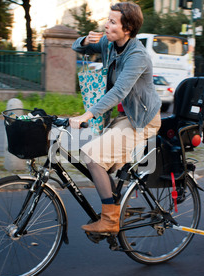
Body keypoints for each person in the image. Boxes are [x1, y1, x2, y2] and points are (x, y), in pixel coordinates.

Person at [69, 2, 161, 234]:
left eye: (112, 22)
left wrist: (87, 115)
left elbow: (119, 91)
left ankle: (110, 220)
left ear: (127, 28)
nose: (105, 25)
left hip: (142, 120)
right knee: (103, 163)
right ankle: (116, 208)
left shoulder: (137, 55)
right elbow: (77, 48)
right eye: (107, 20)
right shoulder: (110, 44)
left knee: (92, 156)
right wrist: (85, 41)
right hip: (125, 116)